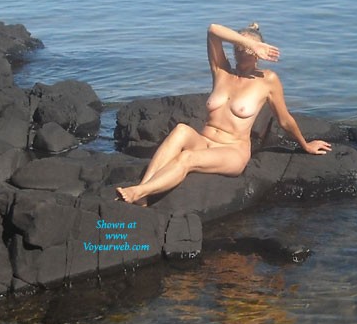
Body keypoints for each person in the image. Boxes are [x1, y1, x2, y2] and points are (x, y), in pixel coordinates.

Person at [115, 22, 332, 205]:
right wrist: (248, 42)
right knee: (181, 130)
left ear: (259, 54)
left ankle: (139, 192)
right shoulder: (221, 71)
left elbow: (284, 119)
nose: (240, 51)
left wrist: (305, 145)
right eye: (237, 46)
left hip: (232, 151)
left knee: (187, 158)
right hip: (204, 140)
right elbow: (212, 30)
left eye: (245, 49)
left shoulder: (268, 80)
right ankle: (143, 191)